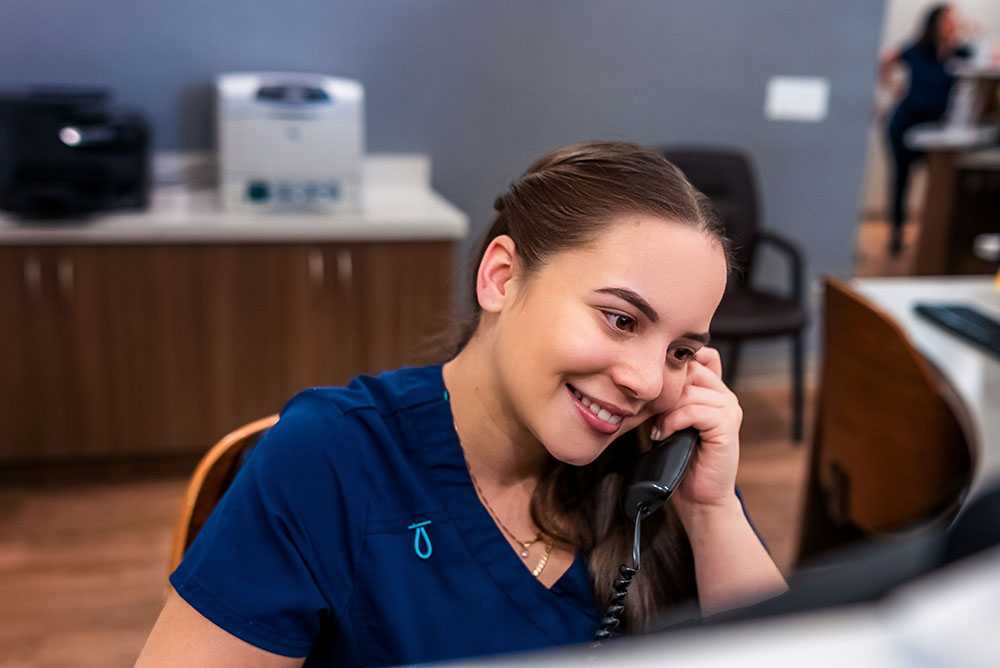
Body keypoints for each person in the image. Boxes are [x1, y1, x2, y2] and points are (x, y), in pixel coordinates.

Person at [135, 141, 787, 667]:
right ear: (501, 277)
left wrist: (711, 511)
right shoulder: (331, 457)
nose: (646, 381)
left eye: (680, 351)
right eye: (620, 320)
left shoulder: (655, 477)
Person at [879, 4, 975, 257]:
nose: (953, 24)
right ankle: (896, 235)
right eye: (949, 20)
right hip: (905, 122)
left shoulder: (961, 52)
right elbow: (886, 61)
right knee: (901, 180)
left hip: (937, 129)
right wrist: (893, 89)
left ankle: (932, 237)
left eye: (955, 20)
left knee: (940, 182)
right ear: (935, 22)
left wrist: (969, 32)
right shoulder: (916, 49)